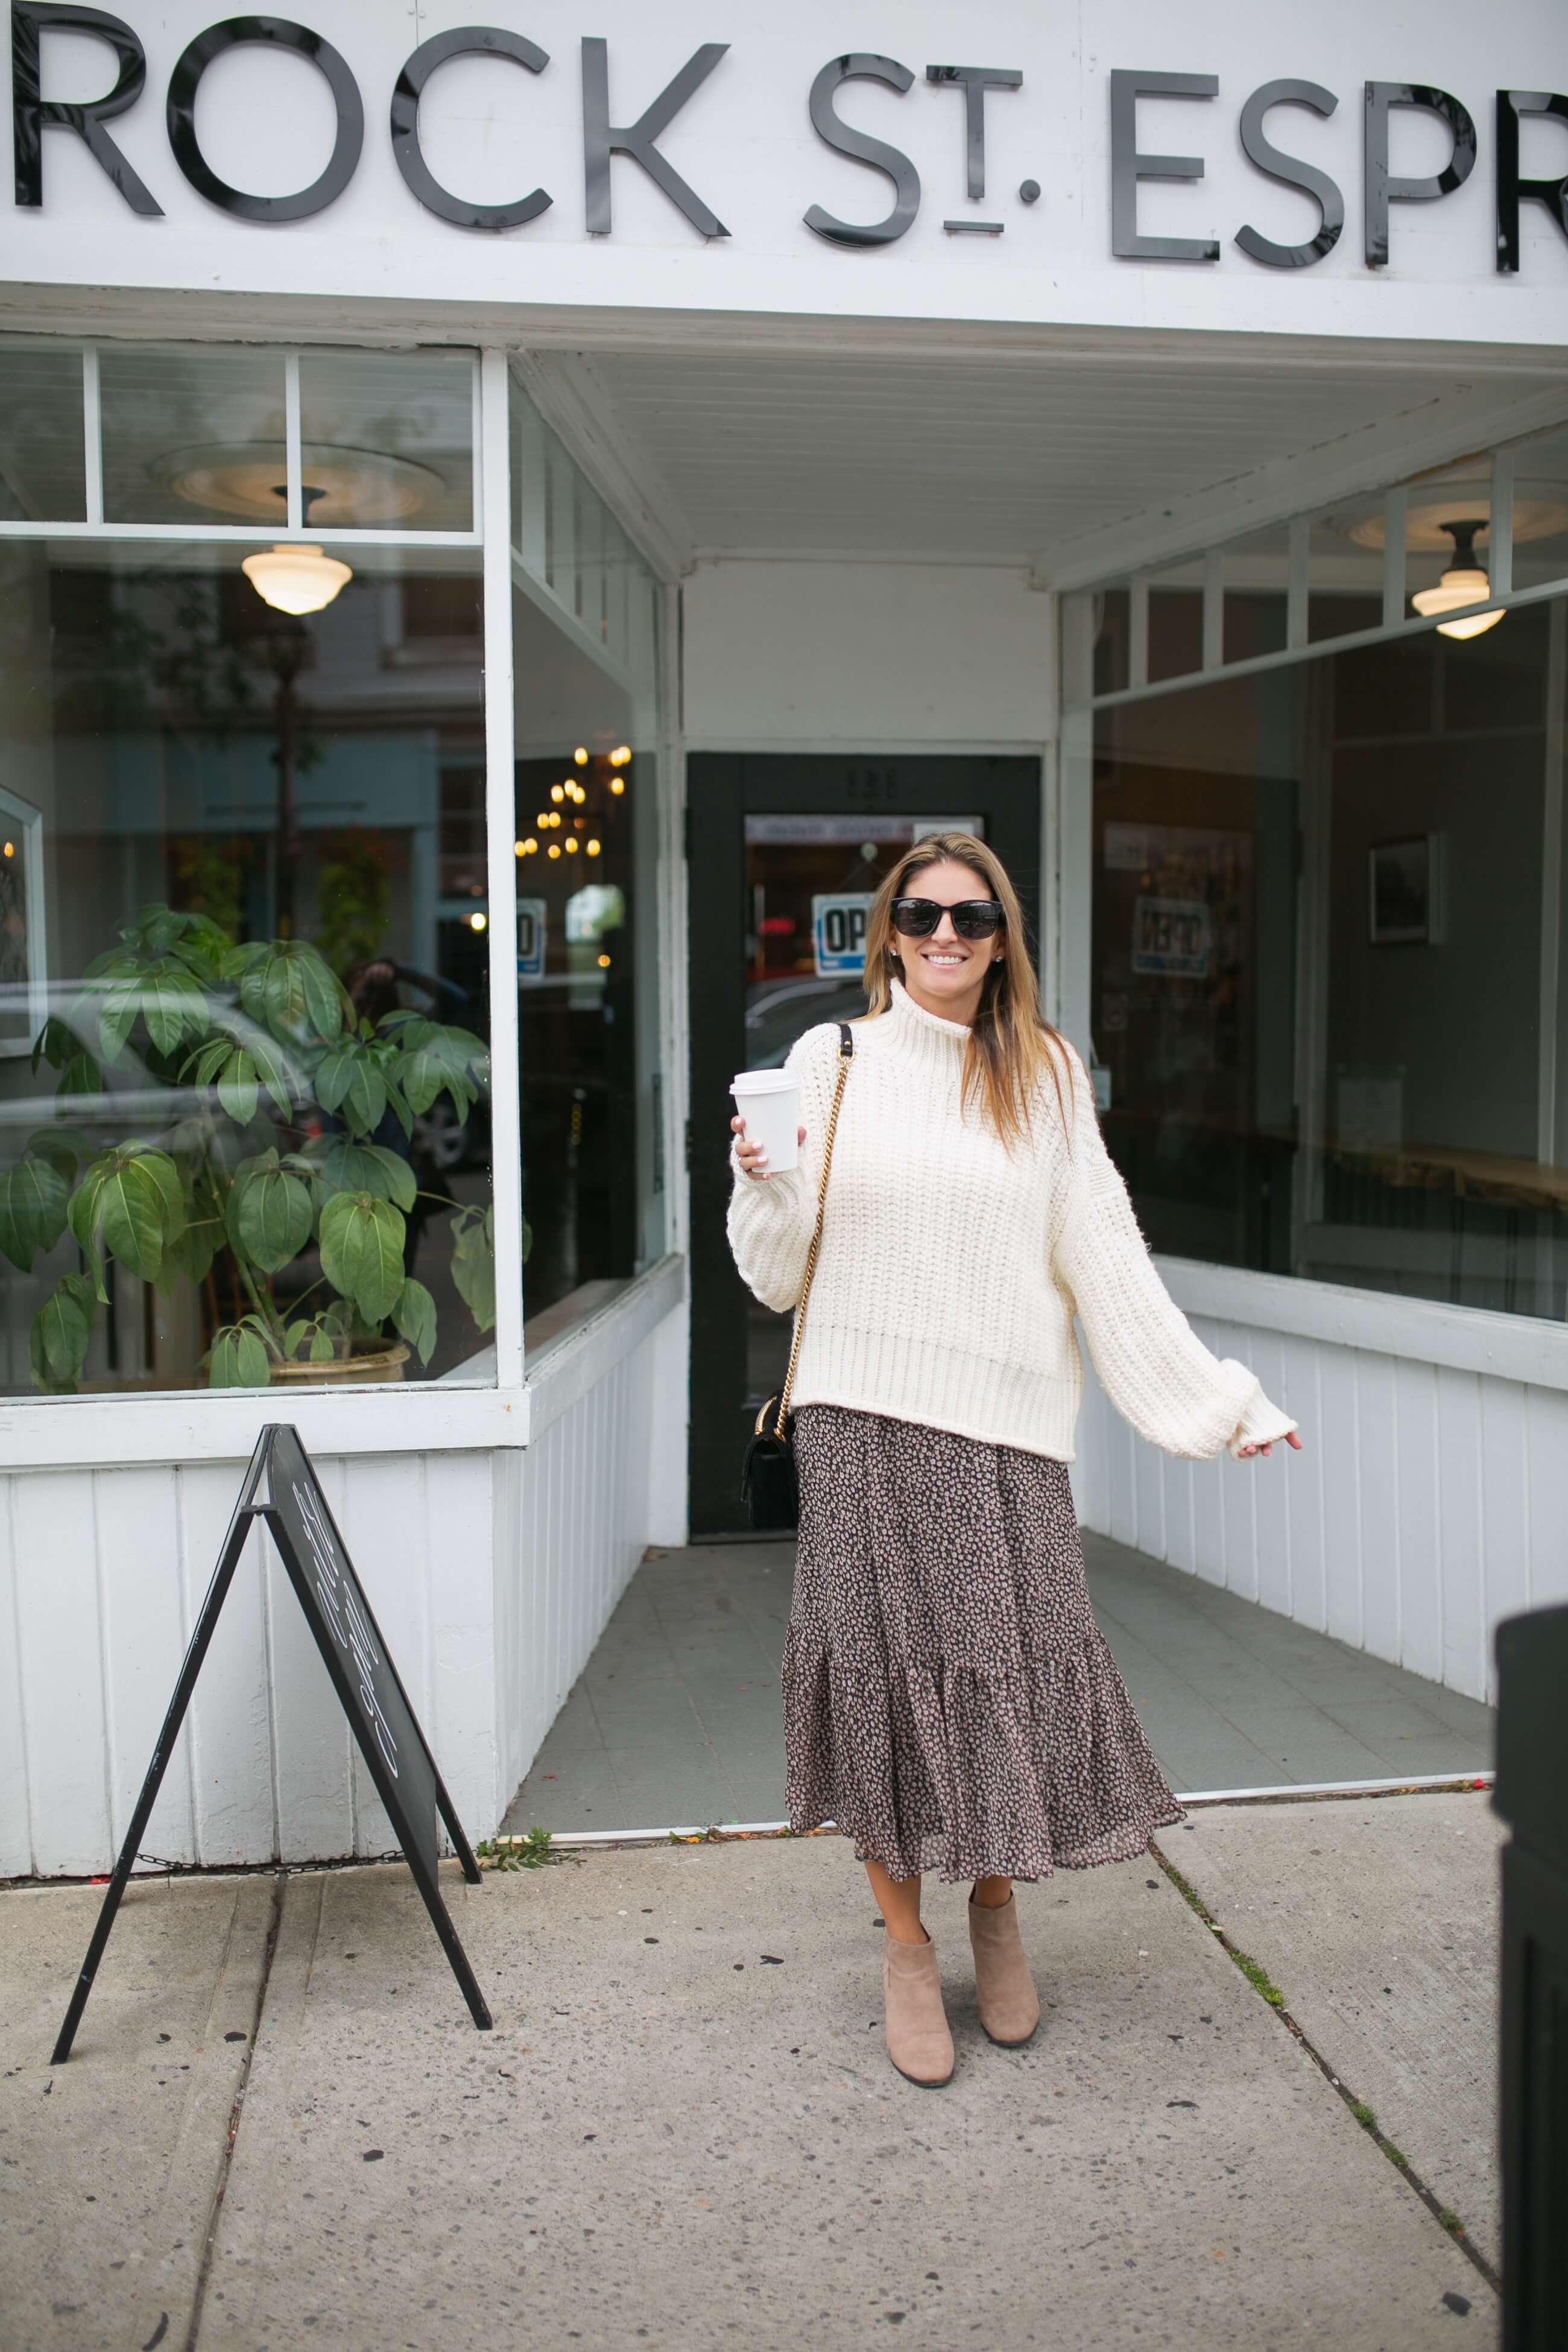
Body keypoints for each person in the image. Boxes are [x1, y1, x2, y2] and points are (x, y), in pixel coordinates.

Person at [727, 835, 1302, 2088]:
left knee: (1006, 1680)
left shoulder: (1042, 1071)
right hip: (862, 1422)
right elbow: (774, 1275)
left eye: (972, 916)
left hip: (1005, 1434)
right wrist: (761, 1181)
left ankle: (995, 1910)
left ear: (1002, 940)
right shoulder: (829, 1061)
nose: (945, 934)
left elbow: (1105, 1253)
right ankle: (903, 1946)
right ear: (889, 934)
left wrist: (1216, 1402)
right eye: (922, 913)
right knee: (880, 1682)